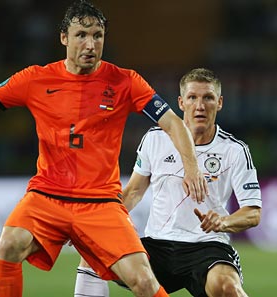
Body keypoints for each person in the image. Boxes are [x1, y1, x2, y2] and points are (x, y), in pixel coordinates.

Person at [0, 1, 208, 296]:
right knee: (9, 243)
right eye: (82, 35)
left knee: (144, 281)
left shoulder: (125, 81)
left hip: (100, 202)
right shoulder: (35, 78)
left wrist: (191, 168)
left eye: (98, 35)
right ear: (64, 37)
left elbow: (175, 124)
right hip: (47, 196)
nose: (90, 44)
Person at [74, 68, 262, 297]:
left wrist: (223, 222)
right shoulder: (155, 139)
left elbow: (253, 213)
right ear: (181, 103)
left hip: (207, 247)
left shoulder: (235, 150)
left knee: (227, 287)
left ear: (220, 102)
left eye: (208, 98)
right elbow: (133, 191)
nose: (200, 105)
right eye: (192, 97)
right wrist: (94, 223)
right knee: (93, 252)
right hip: (158, 247)